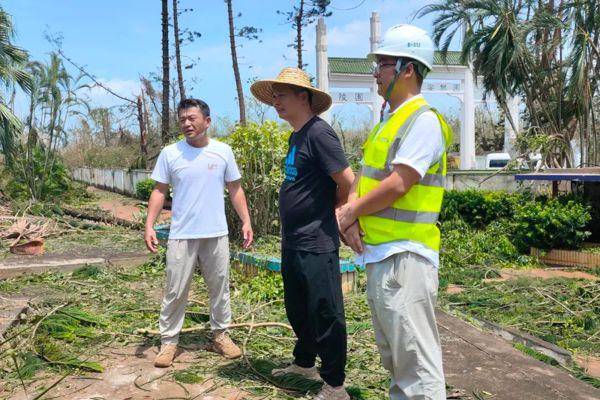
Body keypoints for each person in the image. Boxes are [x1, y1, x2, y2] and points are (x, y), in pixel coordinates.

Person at [337, 25, 453, 399]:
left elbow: (399, 183)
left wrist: (349, 212)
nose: (375, 73)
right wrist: (350, 214)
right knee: (397, 360)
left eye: (383, 64)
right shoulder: (388, 120)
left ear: (407, 69)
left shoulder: (423, 120)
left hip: (405, 256)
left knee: (416, 365)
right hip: (382, 255)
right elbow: (365, 175)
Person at [250, 68, 355, 400]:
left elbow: (348, 181)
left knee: (325, 312)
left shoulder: (319, 133)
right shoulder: (297, 136)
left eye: (282, 95)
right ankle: (304, 363)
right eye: (274, 96)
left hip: (316, 240)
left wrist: (334, 211)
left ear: (304, 98)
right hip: (294, 240)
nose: (276, 101)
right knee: (298, 308)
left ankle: (335, 385)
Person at [144, 98, 253, 368]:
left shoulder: (223, 151)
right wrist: (149, 224)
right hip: (182, 233)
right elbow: (159, 190)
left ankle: (221, 335)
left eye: (192, 118)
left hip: (216, 233)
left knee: (219, 287)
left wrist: (246, 220)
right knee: (175, 289)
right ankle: (169, 341)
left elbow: (235, 188)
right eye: (182, 119)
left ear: (207, 121)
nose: (186, 124)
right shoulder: (170, 153)